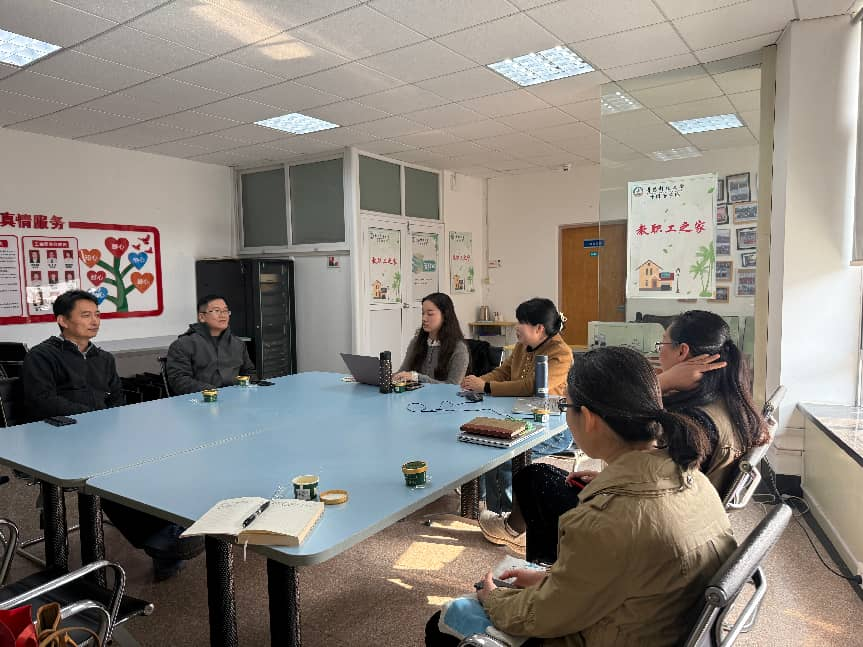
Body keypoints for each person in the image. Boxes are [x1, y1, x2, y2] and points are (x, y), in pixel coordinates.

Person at [425, 347, 736, 647]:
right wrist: (551, 581)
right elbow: (618, 573)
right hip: (654, 623)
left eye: (567, 407)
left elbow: (542, 616)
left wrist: (494, 598)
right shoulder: (695, 480)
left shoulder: (605, 521)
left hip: (613, 633)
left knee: (444, 623)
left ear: (588, 418)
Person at [488, 310, 767, 563]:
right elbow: (661, 475)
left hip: (643, 527)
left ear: (682, 351)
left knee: (534, 479)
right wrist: (611, 477)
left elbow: (657, 484)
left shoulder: (693, 422)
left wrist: (661, 382)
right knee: (546, 476)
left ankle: (554, 569)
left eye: (662, 344)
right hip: (679, 519)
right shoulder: (728, 402)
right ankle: (531, 548)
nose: (660, 352)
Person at [21, 290, 203, 581]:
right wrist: (95, 419)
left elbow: (117, 399)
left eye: (97, 314)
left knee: (153, 456)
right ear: (62, 321)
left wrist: (112, 425)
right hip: (59, 440)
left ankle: (170, 529)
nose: (95, 321)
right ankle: (162, 537)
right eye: (86, 315)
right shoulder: (42, 356)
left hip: (100, 437)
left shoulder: (103, 358)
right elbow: (42, 401)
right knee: (113, 470)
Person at [461, 298, 574, 519]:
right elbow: (503, 372)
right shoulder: (523, 346)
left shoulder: (561, 353)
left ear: (539, 328)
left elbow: (531, 386)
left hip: (554, 429)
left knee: (504, 458)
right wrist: (478, 382)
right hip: (518, 419)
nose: (516, 326)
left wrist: (486, 387)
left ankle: (505, 518)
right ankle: (483, 504)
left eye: (521, 322)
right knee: (486, 446)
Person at [166, 294, 255, 395]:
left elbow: (249, 372)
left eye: (225, 311)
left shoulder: (238, 343)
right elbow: (179, 380)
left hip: (237, 398)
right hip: (203, 400)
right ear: (202, 317)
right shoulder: (183, 345)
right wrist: (213, 391)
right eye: (217, 311)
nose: (223, 315)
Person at [393, 292, 468, 385]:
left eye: (430, 314)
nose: (424, 318)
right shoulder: (416, 342)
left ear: (445, 315)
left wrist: (417, 377)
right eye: (423, 313)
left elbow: (452, 386)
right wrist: (387, 376)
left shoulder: (459, 348)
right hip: (415, 394)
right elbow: (403, 371)